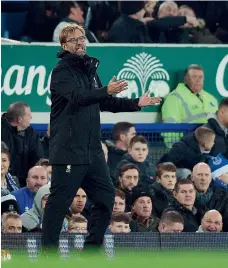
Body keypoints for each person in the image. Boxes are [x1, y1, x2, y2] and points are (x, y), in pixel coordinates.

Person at [41, 24, 161, 251]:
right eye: (74, 39)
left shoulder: (89, 70)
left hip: (92, 151)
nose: (80, 42)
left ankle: (92, 251)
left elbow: (105, 102)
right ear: (64, 45)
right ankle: (48, 256)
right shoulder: (61, 71)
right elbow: (78, 97)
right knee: (58, 205)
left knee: (106, 198)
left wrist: (136, 103)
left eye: (82, 37)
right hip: (69, 150)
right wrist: (105, 90)